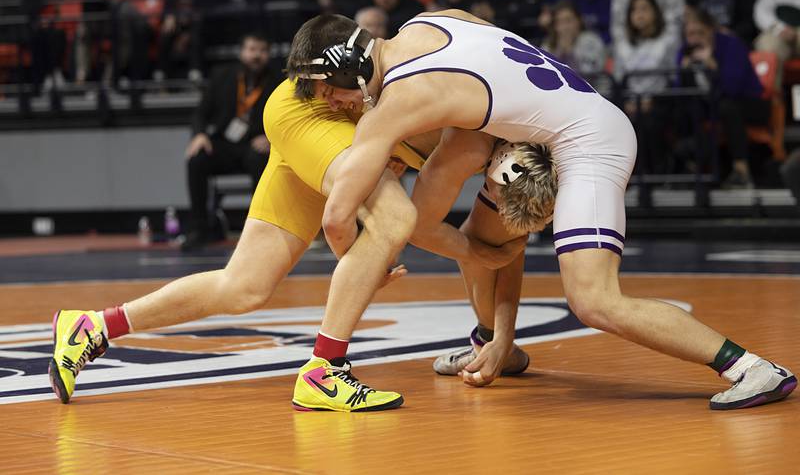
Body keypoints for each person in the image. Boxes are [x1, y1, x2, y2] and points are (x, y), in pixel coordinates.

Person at [286, 9, 796, 410]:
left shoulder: (407, 105)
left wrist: (361, 261)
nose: (332, 104)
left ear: (347, 67)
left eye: (329, 90)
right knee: (481, 237)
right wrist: (483, 254)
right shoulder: (434, 20)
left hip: (589, 144)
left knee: (593, 299)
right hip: (567, 126)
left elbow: (352, 219)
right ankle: (493, 343)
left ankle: (749, 368)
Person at [48, 82, 528, 412]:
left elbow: (507, 243)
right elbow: (426, 230)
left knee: (245, 287)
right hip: (320, 111)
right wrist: (468, 254)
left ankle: (93, 327)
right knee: (394, 219)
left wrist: (500, 339)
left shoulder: (509, 153)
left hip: (315, 120)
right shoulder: (475, 141)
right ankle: (325, 370)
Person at [181, 32, 280, 250]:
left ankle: (259, 230)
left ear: (269, 54)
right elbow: (200, 113)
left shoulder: (278, 81)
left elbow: (288, 118)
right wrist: (199, 134)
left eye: (262, 51)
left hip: (256, 145)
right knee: (196, 160)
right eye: (252, 49)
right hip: (225, 144)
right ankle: (199, 229)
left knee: (260, 159)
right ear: (241, 52)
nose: (257, 55)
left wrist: (272, 138)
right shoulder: (222, 75)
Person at [679, 9, 770, 188]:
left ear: (711, 30)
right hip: (711, 105)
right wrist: (683, 73)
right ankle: (690, 167)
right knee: (684, 110)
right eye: (690, 34)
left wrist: (714, 68)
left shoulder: (731, 45)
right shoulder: (685, 51)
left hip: (750, 102)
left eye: (700, 33)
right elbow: (680, 91)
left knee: (727, 107)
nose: (695, 39)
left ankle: (741, 171)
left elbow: (733, 89)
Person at [614, 0, 680, 174]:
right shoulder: (623, 45)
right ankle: (632, 177)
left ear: (655, 13)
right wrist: (627, 103)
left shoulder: (667, 42)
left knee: (650, 124)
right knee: (624, 123)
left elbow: (673, 78)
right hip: (630, 103)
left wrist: (653, 101)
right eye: (634, 10)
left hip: (661, 101)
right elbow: (618, 80)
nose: (639, 14)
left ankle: (658, 174)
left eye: (644, 9)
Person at [753, 0, 800, 90]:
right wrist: (780, 29)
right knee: (768, 47)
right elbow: (761, 12)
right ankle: (771, 99)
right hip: (778, 32)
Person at [542, 0, 607, 75]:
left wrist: (569, 52)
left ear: (579, 21)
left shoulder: (591, 40)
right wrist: (560, 51)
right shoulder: (548, 45)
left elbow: (591, 71)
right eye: (559, 22)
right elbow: (544, 74)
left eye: (568, 21)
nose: (564, 27)